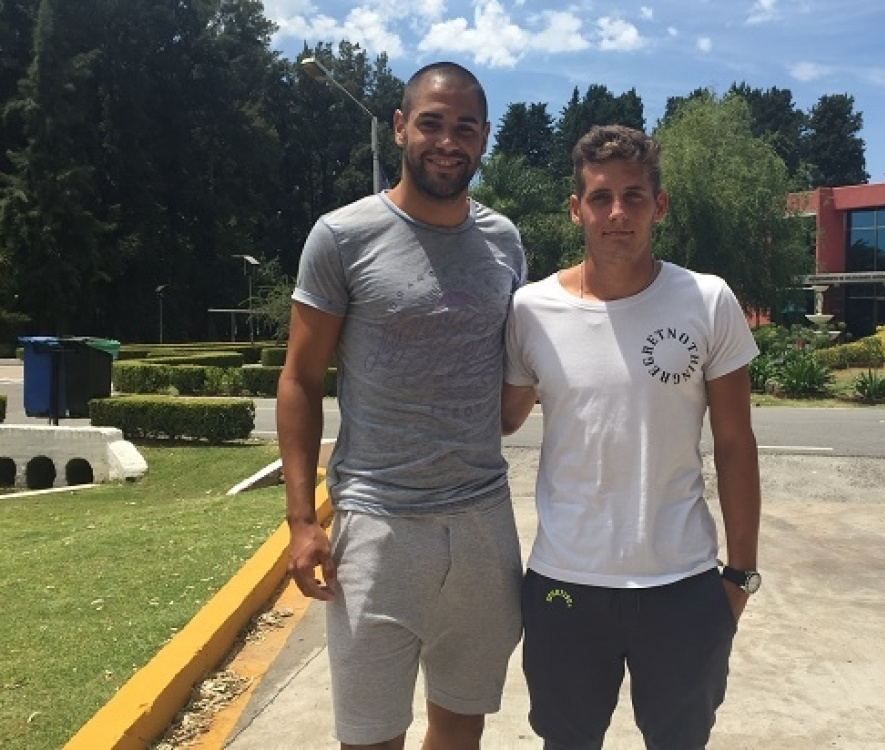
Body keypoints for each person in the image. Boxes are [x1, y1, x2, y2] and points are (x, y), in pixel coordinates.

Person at [277, 62, 526, 750]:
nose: (448, 142)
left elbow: (512, 390)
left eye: (465, 128)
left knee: (461, 727)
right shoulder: (342, 236)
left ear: (484, 138)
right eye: (431, 124)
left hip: (482, 523)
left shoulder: (504, 241)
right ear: (399, 127)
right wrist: (301, 521)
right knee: (369, 738)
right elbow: (299, 379)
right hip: (377, 525)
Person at [501, 124, 762, 750]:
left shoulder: (706, 300)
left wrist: (739, 576)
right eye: (600, 197)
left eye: (634, 195)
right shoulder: (531, 310)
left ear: (658, 205)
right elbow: (502, 418)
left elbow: (735, 445)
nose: (617, 212)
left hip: (682, 584)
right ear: (576, 209)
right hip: (565, 581)